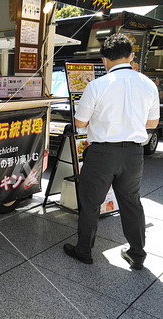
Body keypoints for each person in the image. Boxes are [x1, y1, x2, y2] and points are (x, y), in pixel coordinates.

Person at [63, 33, 160, 270]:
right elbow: (152, 124)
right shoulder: (148, 84)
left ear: (104, 59)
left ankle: (84, 250)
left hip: (102, 154)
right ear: (132, 56)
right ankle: (137, 254)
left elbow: (80, 124)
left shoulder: (97, 85)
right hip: (134, 155)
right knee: (131, 203)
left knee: (90, 202)